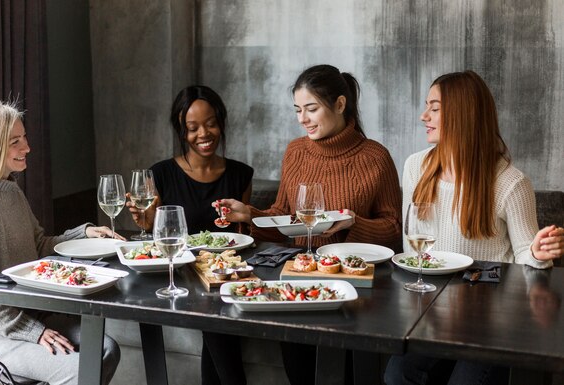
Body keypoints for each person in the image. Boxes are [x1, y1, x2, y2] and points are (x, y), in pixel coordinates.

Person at [218, 64, 403, 385]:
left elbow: (394, 230)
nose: (303, 119)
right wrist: (248, 214)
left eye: (312, 109)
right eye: (298, 110)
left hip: (354, 292)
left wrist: (352, 224)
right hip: (298, 283)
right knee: (300, 373)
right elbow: (284, 216)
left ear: (340, 104)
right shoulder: (295, 151)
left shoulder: (376, 157)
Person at [385, 70, 564, 385]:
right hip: (432, 315)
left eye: (435, 108)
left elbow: (527, 254)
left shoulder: (510, 181)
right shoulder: (415, 166)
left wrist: (537, 251)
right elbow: (411, 246)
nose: (423, 115)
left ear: (462, 113)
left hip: (491, 320)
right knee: (398, 374)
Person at [0, 100, 121, 385]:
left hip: (17, 317)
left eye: (24, 138)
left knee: (106, 349)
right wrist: (32, 331)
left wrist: (83, 233)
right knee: (80, 370)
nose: (27, 148)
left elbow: (37, 246)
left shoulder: (10, 191)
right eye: (15, 141)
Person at [126, 85, 253, 385]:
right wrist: (144, 221)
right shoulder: (161, 173)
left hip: (223, 274)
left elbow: (243, 234)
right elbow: (155, 230)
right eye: (192, 128)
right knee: (215, 315)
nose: (204, 134)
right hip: (181, 274)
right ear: (182, 132)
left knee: (216, 310)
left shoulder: (240, 174)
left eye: (211, 124)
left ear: (221, 122)